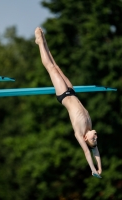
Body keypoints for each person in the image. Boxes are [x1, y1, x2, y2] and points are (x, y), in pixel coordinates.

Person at [35, 27, 102, 178]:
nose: (96, 137)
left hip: (63, 95)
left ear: (86, 139)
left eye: (93, 139)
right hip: (71, 92)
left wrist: (92, 169)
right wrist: (100, 167)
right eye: (95, 138)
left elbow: (88, 151)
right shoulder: (89, 127)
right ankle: (44, 42)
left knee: (51, 68)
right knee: (56, 66)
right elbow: (95, 150)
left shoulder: (79, 134)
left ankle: (40, 43)